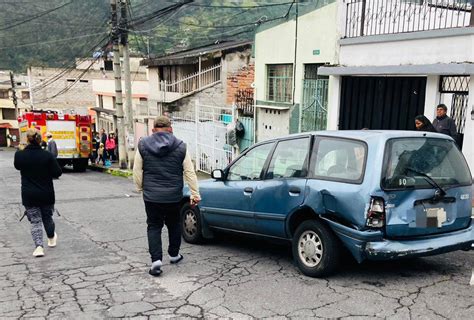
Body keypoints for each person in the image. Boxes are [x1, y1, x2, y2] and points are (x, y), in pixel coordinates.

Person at [133, 116, 201, 276]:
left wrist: (140, 187)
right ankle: (174, 254)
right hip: (173, 195)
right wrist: (195, 193)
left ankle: (156, 260)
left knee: (154, 226)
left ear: (153, 130)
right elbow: (189, 172)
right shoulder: (181, 146)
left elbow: (137, 169)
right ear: (171, 129)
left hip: (152, 196)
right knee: (174, 224)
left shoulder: (142, 145)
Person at [14, 128, 62, 257]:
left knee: (35, 221)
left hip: (29, 194)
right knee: (47, 217)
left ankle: (39, 247)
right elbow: (58, 172)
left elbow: (17, 166)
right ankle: (51, 238)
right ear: (40, 140)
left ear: (27, 140)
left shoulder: (20, 155)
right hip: (46, 193)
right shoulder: (47, 155)